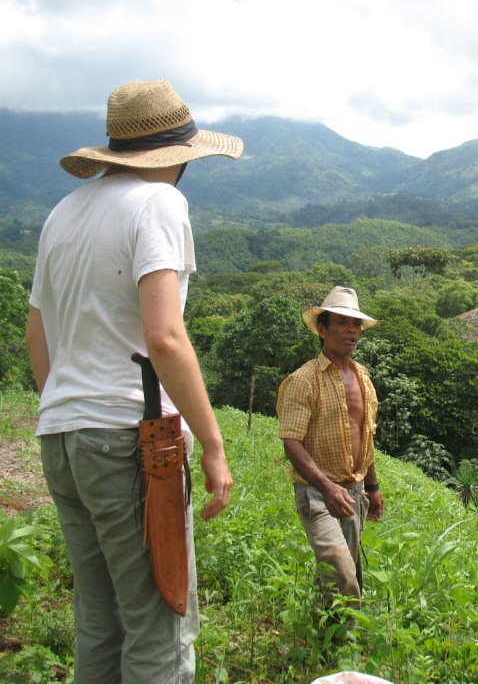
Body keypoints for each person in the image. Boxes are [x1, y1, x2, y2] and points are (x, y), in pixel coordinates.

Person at [25, 79, 240, 683]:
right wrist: (216, 446)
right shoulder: (158, 204)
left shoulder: (63, 213)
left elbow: (35, 338)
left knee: (100, 620)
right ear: (176, 156)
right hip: (129, 441)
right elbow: (165, 337)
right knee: (162, 625)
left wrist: (67, 408)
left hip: (62, 438)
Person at [276, 286, 384, 604]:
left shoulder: (363, 378)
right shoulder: (304, 380)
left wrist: (373, 487)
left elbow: (366, 436)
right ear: (322, 329)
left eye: (356, 325)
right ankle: (333, 645)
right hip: (317, 494)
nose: (351, 331)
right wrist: (326, 487)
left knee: (341, 575)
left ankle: (330, 649)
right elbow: (291, 442)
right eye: (342, 323)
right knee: (342, 573)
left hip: (354, 492)